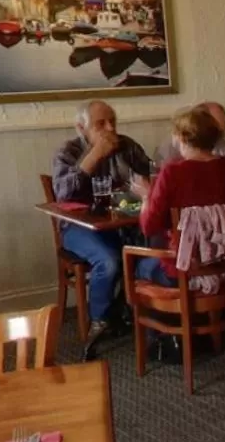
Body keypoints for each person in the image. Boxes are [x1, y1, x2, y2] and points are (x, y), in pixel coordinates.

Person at [51, 100, 152, 353]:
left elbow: (149, 178)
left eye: (113, 122)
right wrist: (94, 155)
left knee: (153, 246)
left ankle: (136, 312)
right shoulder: (68, 151)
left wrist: (143, 189)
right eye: (100, 124)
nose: (110, 128)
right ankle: (101, 320)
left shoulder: (127, 146)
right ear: (81, 128)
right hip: (78, 226)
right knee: (109, 260)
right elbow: (63, 194)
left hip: (122, 219)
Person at [137, 105, 225, 286]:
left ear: (182, 137)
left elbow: (148, 226)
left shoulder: (172, 172)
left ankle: (158, 313)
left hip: (183, 269)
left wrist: (146, 197)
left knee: (136, 265)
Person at [155, 101, 225, 168]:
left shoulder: (224, 136)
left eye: (220, 132)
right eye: (214, 131)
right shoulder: (177, 140)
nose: (217, 136)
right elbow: (162, 167)